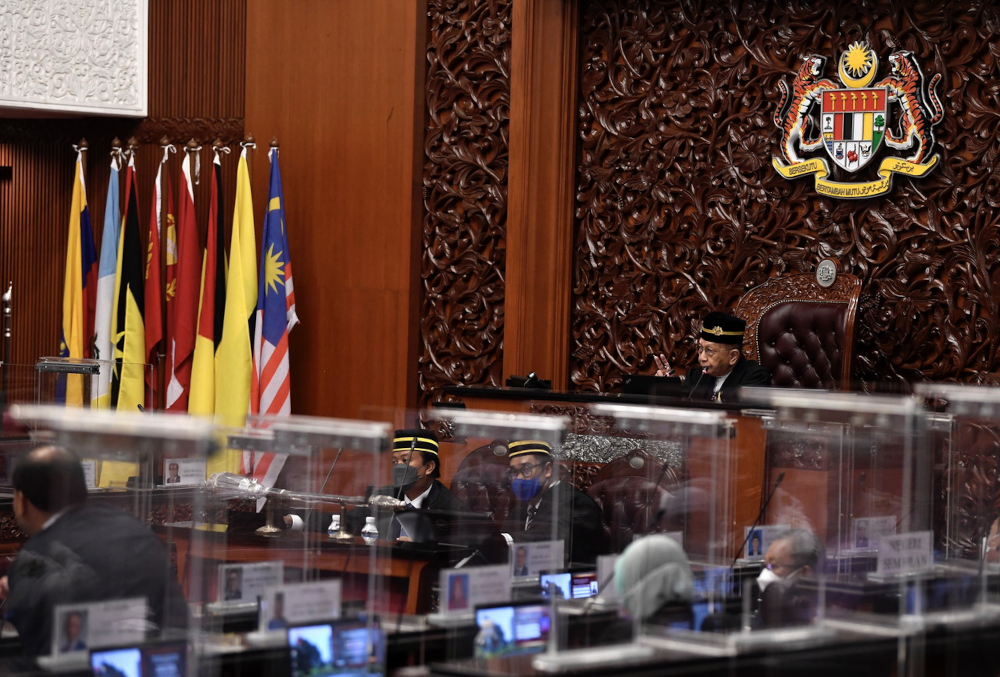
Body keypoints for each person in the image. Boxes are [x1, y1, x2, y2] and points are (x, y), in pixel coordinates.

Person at [0, 445, 188, 656]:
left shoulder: (35, 557)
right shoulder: (129, 525)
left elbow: (31, 642)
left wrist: (19, 586)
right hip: (166, 661)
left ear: (21, 501)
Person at [500, 440, 608, 565]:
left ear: (547, 469)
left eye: (526, 469)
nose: (518, 478)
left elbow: (550, 540)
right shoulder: (523, 508)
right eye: (514, 472)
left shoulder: (575, 502)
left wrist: (502, 541)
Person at [653, 311, 771, 402]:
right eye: (700, 348)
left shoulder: (756, 378)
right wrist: (669, 388)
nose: (701, 358)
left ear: (733, 356)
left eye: (709, 351)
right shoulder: (696, 376)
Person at [756, 528, 823, 629]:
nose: (765, 574)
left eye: (774, 566)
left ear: (804, 572)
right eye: (766, 566)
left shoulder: (818, 619)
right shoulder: (767, 611)